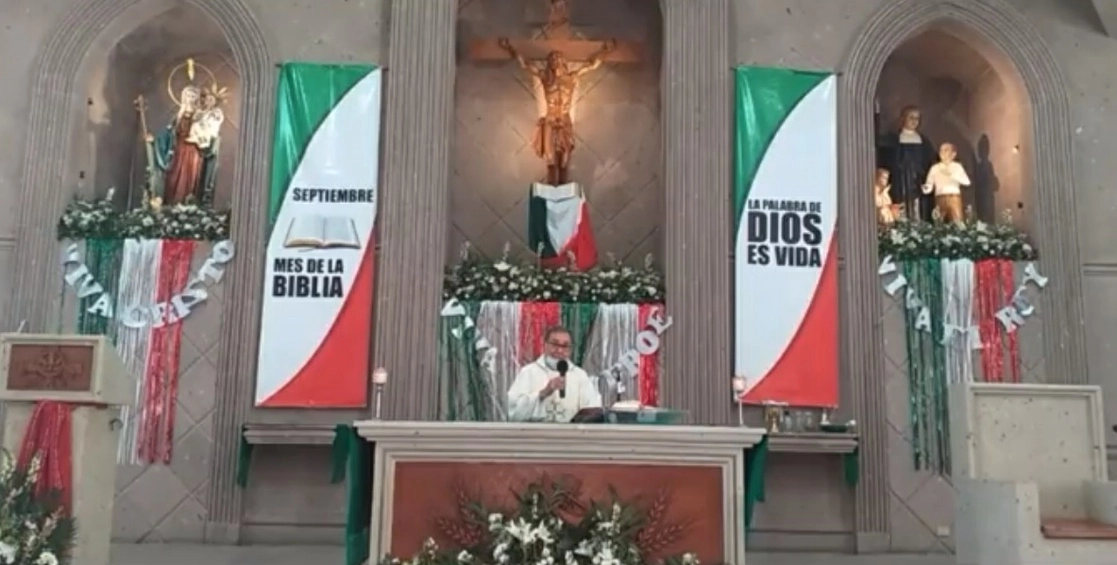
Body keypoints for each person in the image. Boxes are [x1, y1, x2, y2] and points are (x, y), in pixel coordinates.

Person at [507, 326, 602, 422]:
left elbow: (592, 411)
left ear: (570, 350)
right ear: (545, 345)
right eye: (555, 344)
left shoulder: (580, 376)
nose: (559, 350)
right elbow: (513, 411)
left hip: (570, 435)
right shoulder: (528, 372)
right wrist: (542, 394)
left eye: (565, 346)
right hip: (536, 434)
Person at [922, 142, 972, 224]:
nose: (943, 153)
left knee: (957, 221)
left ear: (953, 154)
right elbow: (929, 183)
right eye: (941, 150)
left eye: (946, 150)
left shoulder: (957, 167)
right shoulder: (935, 168)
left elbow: (967, 182)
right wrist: (926, 188)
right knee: (939, 222)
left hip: (954, 198)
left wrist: (953, 175)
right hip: (940, 197)